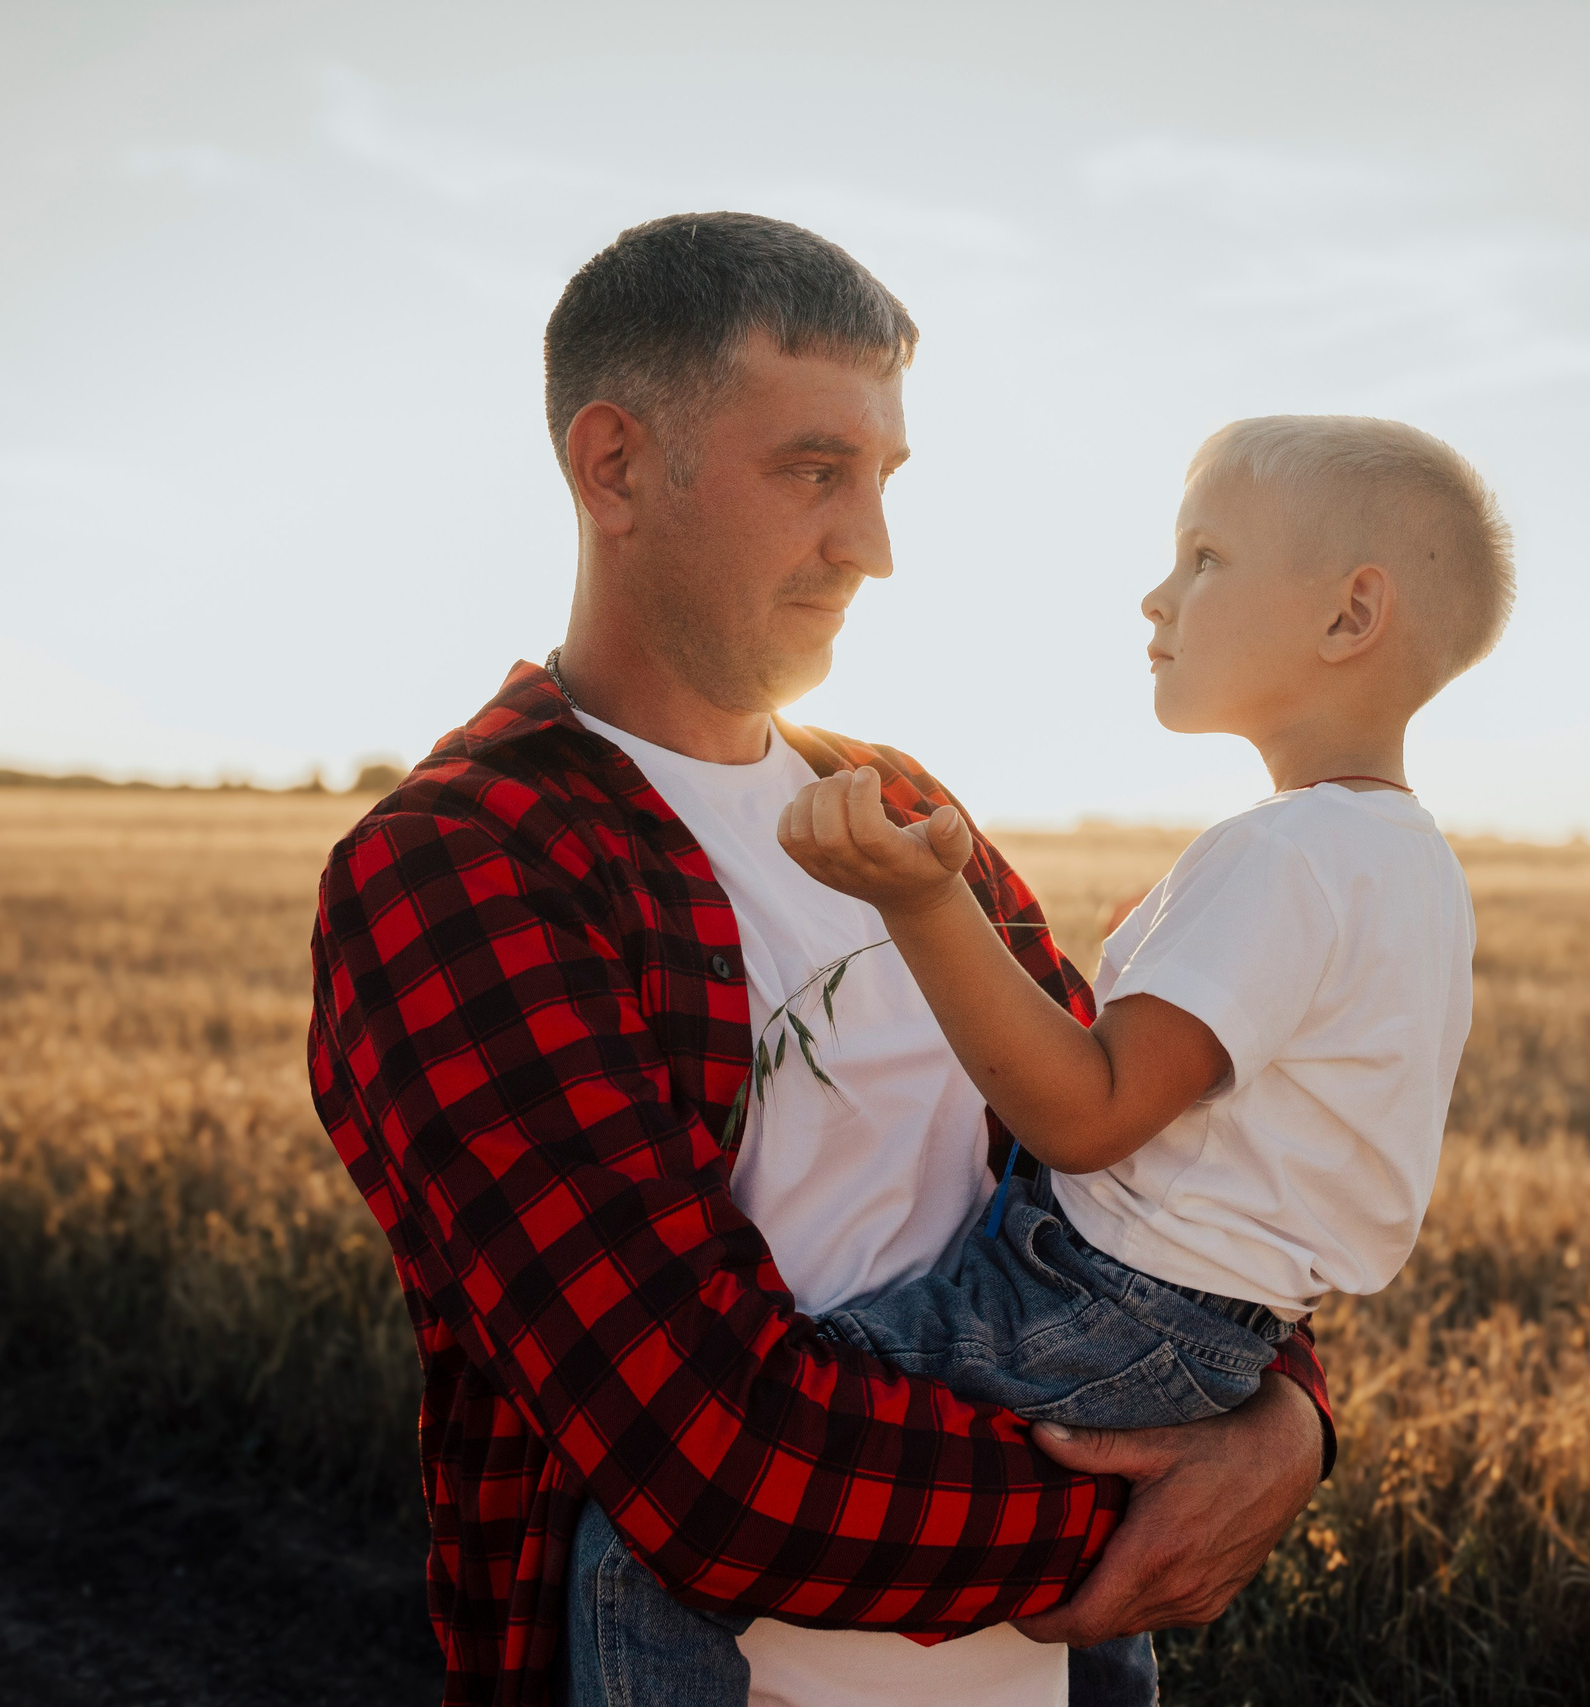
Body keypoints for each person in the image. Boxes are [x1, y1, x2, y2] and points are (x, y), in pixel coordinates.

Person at [306, 212, 1336, 1707]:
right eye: (813, 472)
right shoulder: (465, 864)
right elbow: (711, 1457)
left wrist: (1290, 1421)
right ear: (614, 467)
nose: (873, 545)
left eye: (881, 478)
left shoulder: (906, 807)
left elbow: (1160, 1190)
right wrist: (1159, 1497)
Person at [587, 415, 1510, 1701]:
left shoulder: (1284, 856)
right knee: (1092, 1535)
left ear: (1353, 615)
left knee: (641, 1536)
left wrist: (920, 905)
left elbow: (1084, 1114)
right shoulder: (1407, 863)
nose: (1158, 594)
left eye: (1205, 558)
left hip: (1103, 1301)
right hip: (1210, 1329)